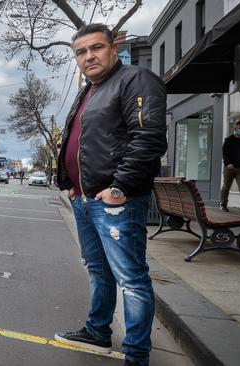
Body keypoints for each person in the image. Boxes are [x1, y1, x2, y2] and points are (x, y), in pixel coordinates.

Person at [55, 24, 167, 366]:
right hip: (85, 200)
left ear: (113, 48)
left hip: (117, 201)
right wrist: (72, 186)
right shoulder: (89, 90)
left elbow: (148, 140)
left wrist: (119, 187)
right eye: (81, 52)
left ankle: (136, 355)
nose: (89, 56)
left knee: (131, 279)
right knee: (98, 270)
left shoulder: (136, 80)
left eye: (96, 48)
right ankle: (98, 331)